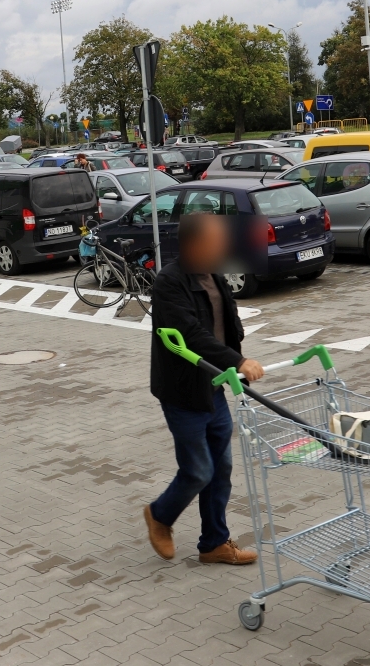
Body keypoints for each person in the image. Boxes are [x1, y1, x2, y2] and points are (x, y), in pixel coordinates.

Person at [144, 212, 263, 566]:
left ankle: (214, 543)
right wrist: (237, 361)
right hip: (183, 392)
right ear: (194, 243)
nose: (223, 247)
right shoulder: (169, 283)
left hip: (215, 386)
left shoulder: (215, 274)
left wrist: (235, 362)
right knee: (198, 470)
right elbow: (192, 335)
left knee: (221, 468)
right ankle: (160, 516)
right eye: (215, 241)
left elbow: (229, 322)